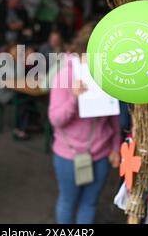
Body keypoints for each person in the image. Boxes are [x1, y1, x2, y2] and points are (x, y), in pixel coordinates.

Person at [48, 24, 121, 224]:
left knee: (89, 203)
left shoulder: (107, 74)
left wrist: (116, 147)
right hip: (68, 156)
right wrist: (73, 98)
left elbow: (113, 116)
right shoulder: (65, 74)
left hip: (102, 153)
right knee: (68, 202)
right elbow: (55, 119)